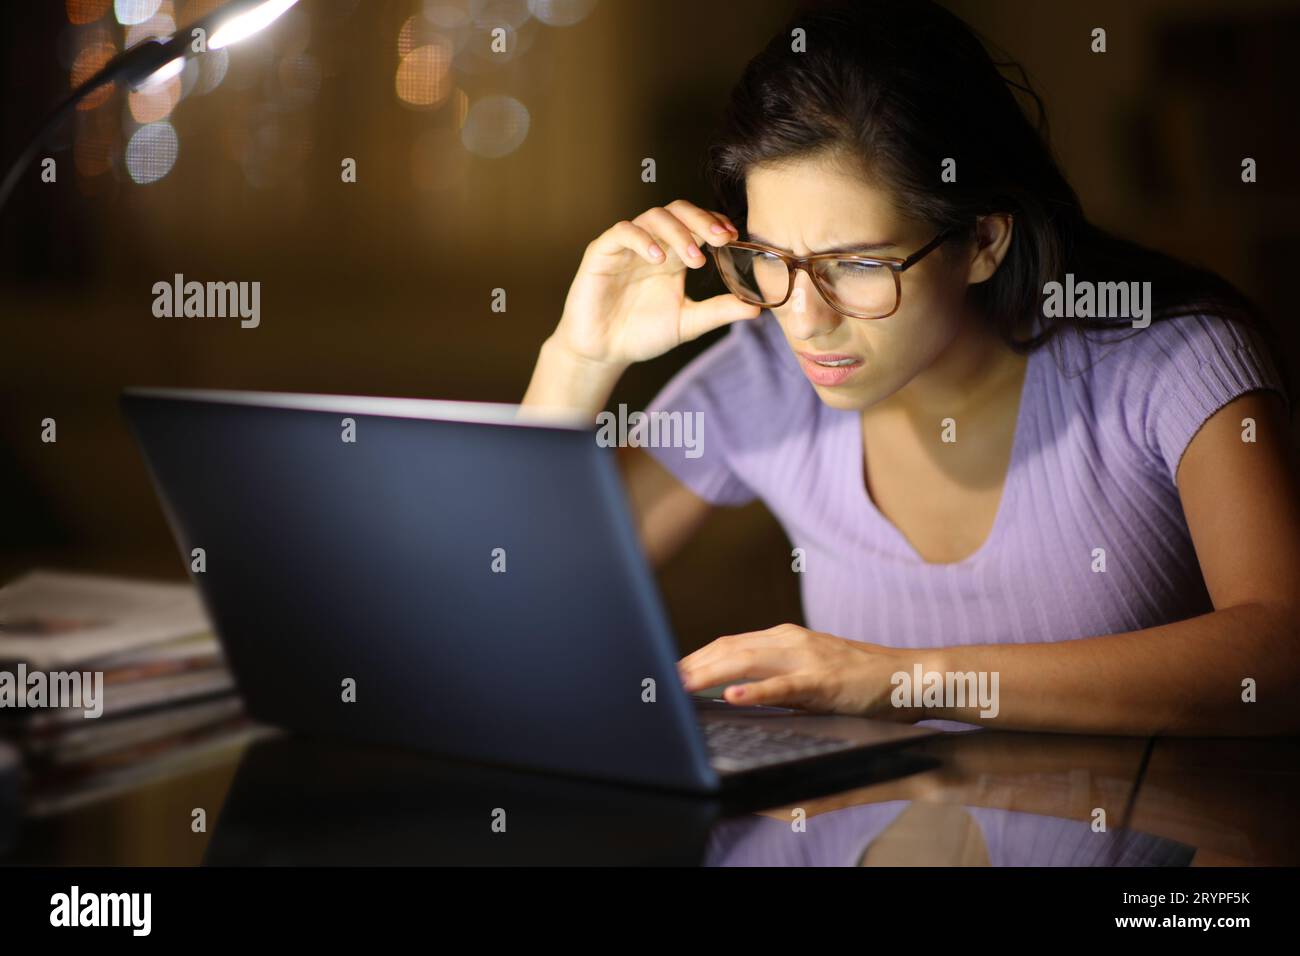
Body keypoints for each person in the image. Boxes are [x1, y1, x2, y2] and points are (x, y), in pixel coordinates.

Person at [522, 0, 1300, 734]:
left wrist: (906, 679)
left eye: (856, 264)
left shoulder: (1170, 362)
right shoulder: (765, 376)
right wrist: (578, 359)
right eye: (768, 259)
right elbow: (520, 598)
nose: (803, 317)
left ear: (984, 242)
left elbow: (1278, 655)